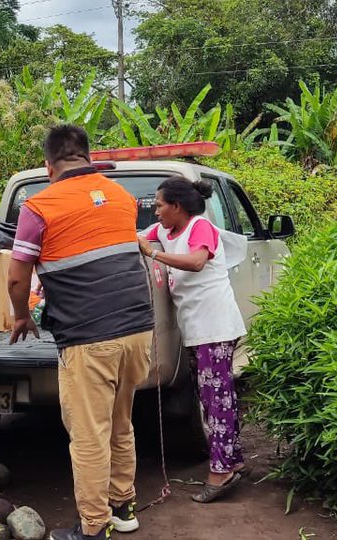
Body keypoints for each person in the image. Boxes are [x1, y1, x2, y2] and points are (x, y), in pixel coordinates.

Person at [8, 125, 154, 540]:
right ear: (89, 157)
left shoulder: (38, 207)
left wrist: (22, 316)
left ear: (48, 165)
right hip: (138, 330)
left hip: (90, 338)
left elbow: (18, 280)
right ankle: (123, 508)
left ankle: (93, 527)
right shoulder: (122, 197)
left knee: (89, 436)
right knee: (121, 421)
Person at [139, 175, 248, 503]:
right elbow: (140, 237)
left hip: (214, 325)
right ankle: (233, 459)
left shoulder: (200, 226)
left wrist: (153, 255)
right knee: (212, 397)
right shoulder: (165, 231)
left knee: (217, 399)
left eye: (159, 205)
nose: (155, 212)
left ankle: (221, 471)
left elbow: (197, 262)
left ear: (178, 206)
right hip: (196, 327)